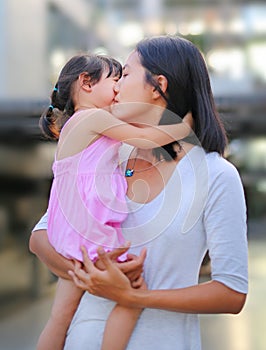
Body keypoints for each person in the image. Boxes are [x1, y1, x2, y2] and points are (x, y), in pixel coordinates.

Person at [30, 36, 248, 350]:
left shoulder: (216, 176)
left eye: (126, 74)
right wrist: (97, 275)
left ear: (157, 85)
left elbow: (232, 293)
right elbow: (40, 238)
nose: (117, 86)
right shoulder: (107, 157)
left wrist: (131, 295)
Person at [35, 52, 192, 350]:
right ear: (86, 82)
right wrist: (185, 126)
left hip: (69, 231)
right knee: (133, 293)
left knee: (59, 318)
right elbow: (145, 140)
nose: (119, 88)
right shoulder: (95, 118)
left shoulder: (77, 123)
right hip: (90, 232)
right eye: (115, 80)